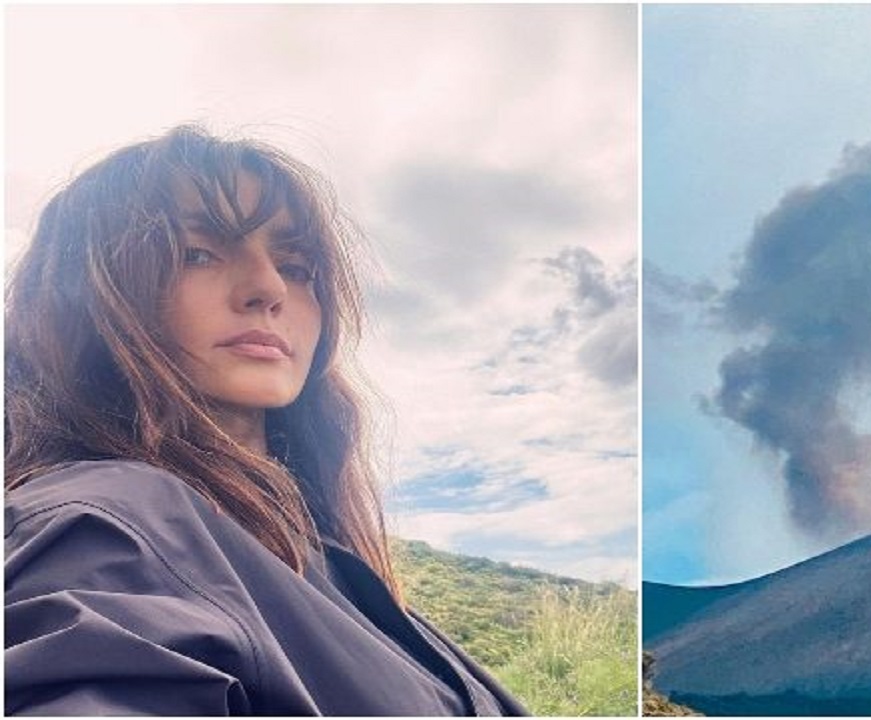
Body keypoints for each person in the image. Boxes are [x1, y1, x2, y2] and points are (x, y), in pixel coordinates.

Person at [4, 126, 528, 716]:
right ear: (87, 297)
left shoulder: (329, 564)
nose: (267, 287)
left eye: (297, 266)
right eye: (195, 253)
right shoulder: (101, 527)